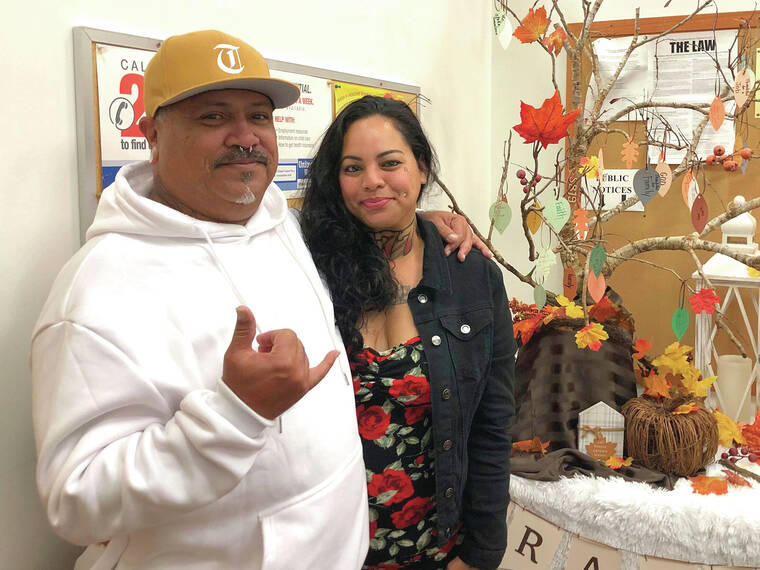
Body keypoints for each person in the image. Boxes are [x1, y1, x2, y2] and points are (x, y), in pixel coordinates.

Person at [31, 31, 484, 570]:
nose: (245, 137)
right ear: (151, 133)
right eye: (213, 117)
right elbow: (75, 502)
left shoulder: (278, 223)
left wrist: (425, 221)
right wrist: (234, 414)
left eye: (259, 116)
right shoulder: (95, 291)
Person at [300, 96, 516, 570]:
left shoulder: (473, 278)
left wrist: (480, 555)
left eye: (390, 163)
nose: (372, 180)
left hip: (437, 549)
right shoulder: (307, 273)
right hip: (329, 550)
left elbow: (492, 426)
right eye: (353, 168)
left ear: (422, 169)